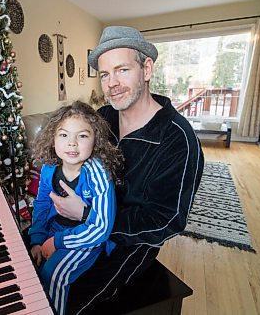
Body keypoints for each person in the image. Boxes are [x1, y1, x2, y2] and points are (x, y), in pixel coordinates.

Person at [50, 26, 205, 314]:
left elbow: (166, 220)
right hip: (78, 221)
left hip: (127, 244)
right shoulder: (102, 119)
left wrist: (89, 215)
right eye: (105, 74)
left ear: (146, 69)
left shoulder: (177, 140)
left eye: (122, 70)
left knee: (65, 300)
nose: (112, 83)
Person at [28, 100, 123, 315]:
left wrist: (56, 242)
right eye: (64, 135)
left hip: (86, 239)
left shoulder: (98, 173)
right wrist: (37, 239)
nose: (72, 143)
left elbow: (100, 229)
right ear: (52, 139)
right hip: (55, 230)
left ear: (95, 140)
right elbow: (42, 205)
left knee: (54, 276)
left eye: (82, 136)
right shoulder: (49, 168)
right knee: (28, 263)